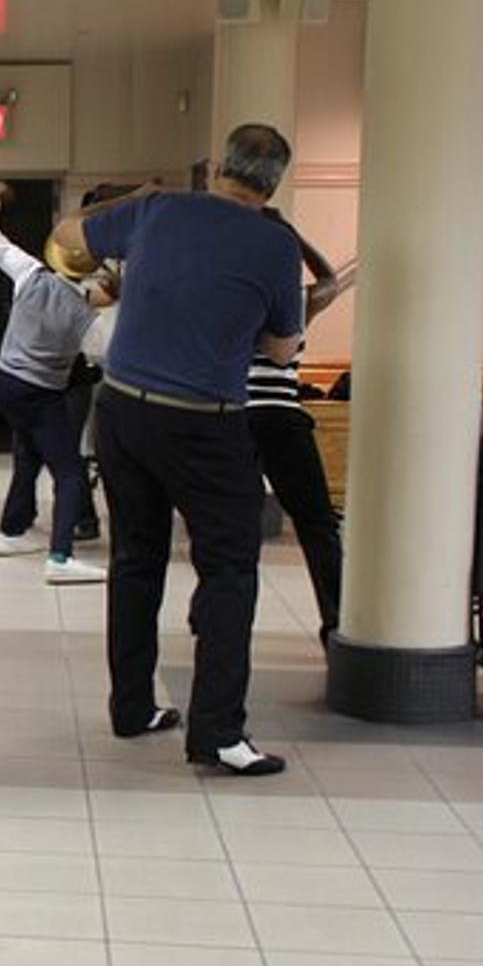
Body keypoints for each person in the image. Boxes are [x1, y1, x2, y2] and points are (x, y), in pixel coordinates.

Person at [50, 123, 305, 777]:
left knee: (136, 559)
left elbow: (71, 235)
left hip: (124, 410)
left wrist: (131, 199)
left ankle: (132, 706)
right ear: (274, 183)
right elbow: (281, 348)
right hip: (205, 423)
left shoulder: (159, 209)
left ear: (219, 165)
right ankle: (218, 731)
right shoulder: (276, 245)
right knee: (229, 569)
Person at [0, 181, 126, 583]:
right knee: (70, 472)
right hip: (41, 394)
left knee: (29, 455)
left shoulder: (29, 272)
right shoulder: (83, 314)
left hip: (4, 384)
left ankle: (10, 532)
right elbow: (107, 354)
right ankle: (60, 558)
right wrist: (122, 300)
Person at [249, 213, 355, 648]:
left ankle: (209, 615)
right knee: (316, 522)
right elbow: (331, 281)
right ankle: (336, 618)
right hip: (279, 416)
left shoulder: (232, 295)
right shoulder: (293, 299)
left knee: (227, 526)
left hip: (231, 415)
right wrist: (296, 236)